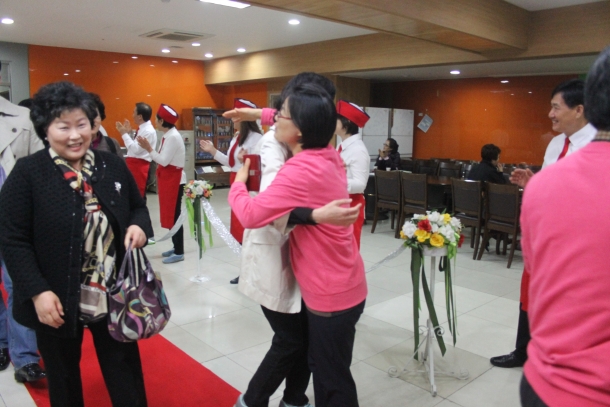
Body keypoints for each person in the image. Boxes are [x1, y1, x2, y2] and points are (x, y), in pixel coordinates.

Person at [0, 81, 152, 407]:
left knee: (125, 373)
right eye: (63, 126)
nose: (75, 135)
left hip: (113, 294)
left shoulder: (112, 165)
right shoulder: (28, 173)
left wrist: (138, 226)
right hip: (55, 299)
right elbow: (12, 239)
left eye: (81, 124)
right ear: (45, 129)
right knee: (64, 378)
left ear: (93, 125)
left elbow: (138, 207)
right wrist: (37, 291)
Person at [230, 83, 367, 407]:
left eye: (283, 114)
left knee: (332, 383)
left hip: (329, 294)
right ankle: (293, 399)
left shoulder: (299, 170)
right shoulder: (328, 152)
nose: (275, 118)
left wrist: (238, 184)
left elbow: (251, 215)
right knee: (324, 366)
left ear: (302, 128)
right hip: (346, 283)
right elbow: (289, 122)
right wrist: (256, 113)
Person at [519, 47, 610, 407]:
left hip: (548, 380)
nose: (551, 114)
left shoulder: (553, 179)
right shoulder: (554, 154)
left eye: (556, 107)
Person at [490, 78, 597, 369]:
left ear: (579, 109)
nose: (550, 114)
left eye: (555, 107)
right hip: (546, 235)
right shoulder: (556, 143)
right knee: (531, 293)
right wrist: (534, 182)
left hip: (578, 242)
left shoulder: (599, 145)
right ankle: (523, 351)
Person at [0, 92, 46, 383]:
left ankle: (25, 356)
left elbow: (42, 168)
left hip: (14, 216)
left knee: (17, 282)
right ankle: (1, 341)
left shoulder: (22, 118)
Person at [200, 98, 263, 284]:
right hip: (237, 181)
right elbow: (230, 163)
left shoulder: (257, 139)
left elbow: (260, 167)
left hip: (248, 185)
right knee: (238, 229)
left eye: (236, 114)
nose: (232, 118)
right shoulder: (237, 136)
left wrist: (248, 161)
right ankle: (246, 271)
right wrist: (213, 150)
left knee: (247, 230)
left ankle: (253, 273)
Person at [137, 104, 186, 264]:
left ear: (163, 121)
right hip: (168, 179)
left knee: (174, 215)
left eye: (157, 119)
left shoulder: (173, 137)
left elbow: (163, 160)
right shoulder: (168, 135)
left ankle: (179, 251)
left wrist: (148, 148)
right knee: (170, 214)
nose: (155, 122)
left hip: (175, 181)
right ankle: (175, 246)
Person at [336, 99, 370, 248]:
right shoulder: (342, 145)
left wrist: (334, 181)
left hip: (351, 205)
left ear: (346, 122)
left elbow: (360, 184)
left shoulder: (358, 150)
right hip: (339, 203)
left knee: (349, 248)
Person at [115, 102, 156, 197]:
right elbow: (135, 145)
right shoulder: (142, 128)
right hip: (134, 164)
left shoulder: (148, 131)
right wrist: (129, 133)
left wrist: (123, 133)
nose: (132, 115)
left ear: (140, 116)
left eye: (134, 112)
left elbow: (135, 149)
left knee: (137, 195)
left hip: (139, 166)